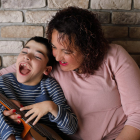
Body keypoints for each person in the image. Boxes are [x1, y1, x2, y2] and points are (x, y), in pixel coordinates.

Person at [1, 6, 140, 140]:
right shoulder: (50, 62)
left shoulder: (114, 56)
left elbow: (137, 113)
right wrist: (8, 106)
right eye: (54, 47)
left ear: (88, 49)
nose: (57, 57)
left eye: (67, 52)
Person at [0, 36, 78, 140]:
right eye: (24, 51)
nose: (27, 56)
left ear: (46, 70)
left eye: (37, 57)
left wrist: (51, 107)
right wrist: (3, 112)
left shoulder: (50, 86)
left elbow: (71, 129)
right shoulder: (3, 82)